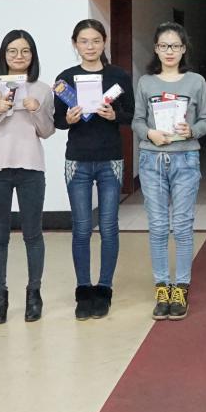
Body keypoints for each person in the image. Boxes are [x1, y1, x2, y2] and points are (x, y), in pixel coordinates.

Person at [0, 29, 55, 325]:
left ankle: (34, 294)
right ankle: (0, 295)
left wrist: (36, 110)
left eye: (25, 51)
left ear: (33, 56)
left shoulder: (41, 89)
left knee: (33, 234)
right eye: (12, 51)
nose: (19, 56)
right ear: (3, 55)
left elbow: (47, 130)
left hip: (31, 168)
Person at [53, 19, 134, 321]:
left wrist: (114, 115)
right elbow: (57, 120)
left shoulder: (117, 76)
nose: (90, 46)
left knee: (109, 226)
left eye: (96, 41)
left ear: (104, 42)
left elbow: (131, 115)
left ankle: (105, 288)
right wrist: (69, 119)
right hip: (78, 160)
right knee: (82, 227)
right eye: (84, 41)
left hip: (110, 158)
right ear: (75, 44)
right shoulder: (65, 78)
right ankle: (83, 289)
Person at [132, 22, 206, 322]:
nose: (170, 51)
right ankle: (162, 287)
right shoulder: (146, 83)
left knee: (182, 225)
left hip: (185, 159)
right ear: (156, 49)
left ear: (183, 49)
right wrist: (149, 133)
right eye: (164, 46)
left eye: (175, 46)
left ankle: (181, 288)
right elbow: (137, 120)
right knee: (157, 226)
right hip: (152, 160)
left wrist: (192, 130)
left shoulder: (196, 82)